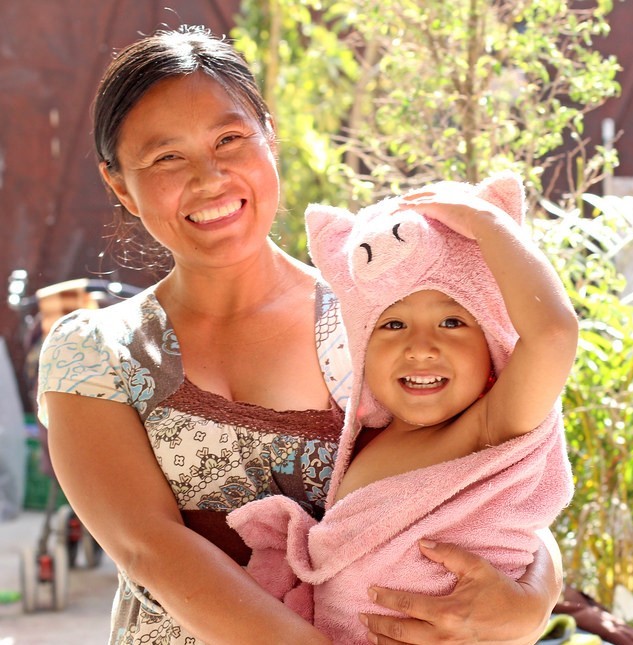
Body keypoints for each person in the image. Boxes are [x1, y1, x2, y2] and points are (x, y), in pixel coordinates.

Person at [37, 24, 565, 644]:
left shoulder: (376, 324)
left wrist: (533, 597)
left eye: (230, 139)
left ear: (270, 142)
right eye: (166, 157)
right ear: (120, 185)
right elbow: (148, 546)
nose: (209, 178)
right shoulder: (93, 353)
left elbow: (489, 475)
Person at [229, 171, 579, 643]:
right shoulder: (373, 433)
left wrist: (489, 225)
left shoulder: (492, 426)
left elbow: (553, 334)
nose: (421, 347)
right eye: (392, 325)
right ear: (361, 350)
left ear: (492, 347)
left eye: (452, 321)